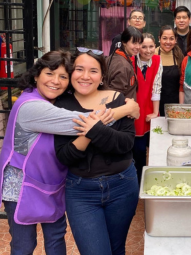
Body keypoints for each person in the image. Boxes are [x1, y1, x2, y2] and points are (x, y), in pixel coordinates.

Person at [0, 51, 139, 255]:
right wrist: (126, 109)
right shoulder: (31, 105)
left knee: (56, 238)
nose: (56, 81)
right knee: (24, 245)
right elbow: (82, 122)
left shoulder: (52, 101)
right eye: (49, 74)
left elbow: (123, 141)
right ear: (36, 75)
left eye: (63, 76)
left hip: (52, 181)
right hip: (22, 186)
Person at [54, 48, 139, 255]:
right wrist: (93, 131)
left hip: (122, 185)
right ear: (71, 72)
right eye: (79, 69)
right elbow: (65, 156)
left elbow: (125, 144)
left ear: (102, 76)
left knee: (117, 248)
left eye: (93, 71)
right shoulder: (60, 105)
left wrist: (94, 129)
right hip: (81, 191)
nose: (85, 76)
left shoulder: (119, 99)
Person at [132, 33, 162, 183]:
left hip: (148, 107)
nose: (148, 50)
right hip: (133, 108)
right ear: (138, 47)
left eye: (151, 46)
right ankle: (133, 180)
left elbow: (157, 87)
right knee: (134, 147)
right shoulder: (130, 61)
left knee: (146, 148)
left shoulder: (157, 60)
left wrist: (155, 112)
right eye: (144, 46)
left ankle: (144, 179)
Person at [105, 26, 143, 99]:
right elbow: (116, 96)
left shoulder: (115, 57)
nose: (138, 47)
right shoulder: (122, 65)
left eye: (140, 43)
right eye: (134, 43)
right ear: (124, 42)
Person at [155, 25, 184, 116]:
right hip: (156, 102)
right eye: (164, 38)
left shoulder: (179, 56)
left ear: (175, 40)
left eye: (171, 39)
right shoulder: (153, 54)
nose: (168, 42)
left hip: (175, 103)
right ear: (159, 39)